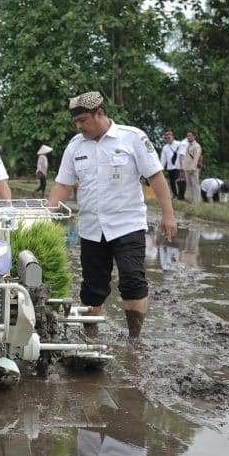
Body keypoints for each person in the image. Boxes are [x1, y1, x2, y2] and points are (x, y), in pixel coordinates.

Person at [45, 91, 177, 340]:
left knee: (132, 280)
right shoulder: (75, 146)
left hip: (127, 225)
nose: (79, 126)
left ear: (100, 113)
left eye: (83, 120)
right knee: (92, 288)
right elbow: (63, 184)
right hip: (92, 228)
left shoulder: (132, 138)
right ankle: (90, 337)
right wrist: (45, 215)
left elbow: (155, 176)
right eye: (76, 122)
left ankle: (134, 338)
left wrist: (168, 214)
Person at [180, 130, 202, 204]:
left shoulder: (197, 146)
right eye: (187, 135)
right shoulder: (188, 145)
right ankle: (192, 199)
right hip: (187, 168)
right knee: (189, 185)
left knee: (195, 184)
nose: (188, 137)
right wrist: (184, 167)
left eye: (190, 135)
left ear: (194, 136)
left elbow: (196, 158)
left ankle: (197, 200)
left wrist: (192, 168)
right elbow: (186, 157)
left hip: (193, 168)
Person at [159, 130, 182, 200]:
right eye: (166, 138)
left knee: (177, 181)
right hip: (170, 167)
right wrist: (161, 168)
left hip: (178, 166)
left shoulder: (179, 144)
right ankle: (175, 194)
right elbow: (163, 158)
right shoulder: (165, 147)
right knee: (172, 182)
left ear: (172, 137)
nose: (167, 139)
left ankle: (180, 195)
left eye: (169, 137)